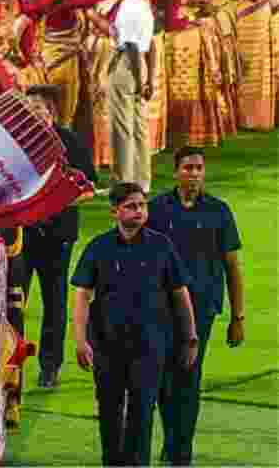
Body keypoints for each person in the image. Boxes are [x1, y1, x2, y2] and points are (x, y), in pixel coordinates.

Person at [71, 182, 199, 466]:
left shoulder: (161, 245)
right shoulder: (99, 247)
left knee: (143, 411)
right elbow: (82, 295)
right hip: (107, 345)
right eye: (131, 206)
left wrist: (191, 337)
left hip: (150, 344)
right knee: (109, 411)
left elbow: (180, 293)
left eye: (142, 205)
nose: (138, 211)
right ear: (114, 211)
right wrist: (80, 341)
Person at [148, 146, 245, 466]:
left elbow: (232, 266)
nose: (194, 174)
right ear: (176, 172)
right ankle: (174, 439)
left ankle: (181, 448)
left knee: (188, 375)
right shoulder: (157, 209)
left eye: (199, 168)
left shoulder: (219, 211)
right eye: (188, 168)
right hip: (161, 308)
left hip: (202, 308)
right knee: (163, 377)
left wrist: (237, 316)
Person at [15, 85, 97, 388]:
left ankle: (50, 367)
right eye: (29, 109)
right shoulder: (15, 145)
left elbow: (88, 188)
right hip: (22, 237)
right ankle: (12, 365)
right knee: (14, 302)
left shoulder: (71, 143)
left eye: (41, 110)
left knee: (55, 301)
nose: (35, 115)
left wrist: (56, 202)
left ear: (51, 113)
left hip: (58, 236)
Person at [92, 0, 155, 192]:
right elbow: (151, 44)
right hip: (141, 64)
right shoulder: (143, 3)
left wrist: (140, 81)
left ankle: (122, 182)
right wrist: (150, 79)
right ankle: (141, 181)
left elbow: (130, 46)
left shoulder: (127, 6)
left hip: (128, 65)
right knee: (139, 127)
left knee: (122, 127)